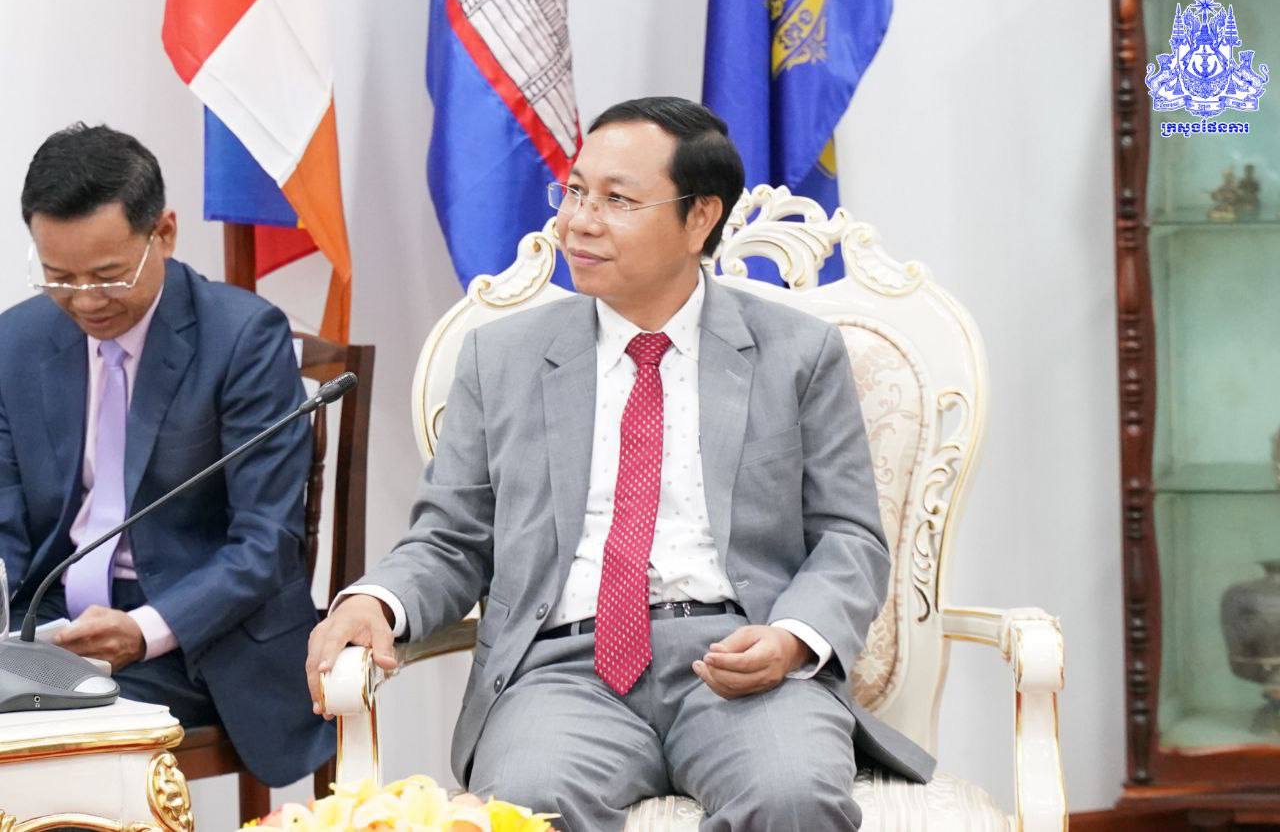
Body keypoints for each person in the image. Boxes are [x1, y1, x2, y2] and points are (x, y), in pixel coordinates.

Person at [307, 97, 933, 829]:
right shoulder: (501, 358)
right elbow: (450, 537)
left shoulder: (798, 353)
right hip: (562, 672)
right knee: (520, 807)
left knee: (793, 797)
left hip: (742, 661)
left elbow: (849, 538)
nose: (580, 221)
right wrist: (375, 601)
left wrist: (793, 636)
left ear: (699, 218)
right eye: (575, 192)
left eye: (617, 200)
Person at [1, 123, 332, 787]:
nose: (87, 301)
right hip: (48, 625)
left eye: (108, 275)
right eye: (60, 279)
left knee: (60, 744)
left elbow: (267, 542)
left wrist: (145, 629)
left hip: (197, 639)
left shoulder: (243, 338)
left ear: (166, 233)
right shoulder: (18, 340)